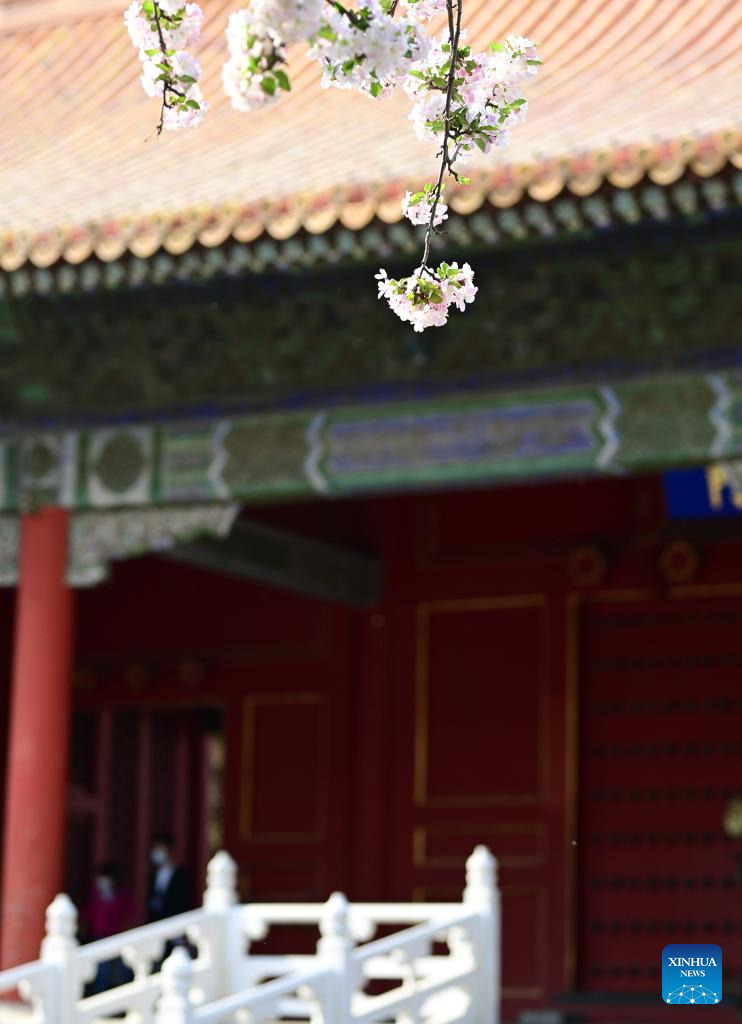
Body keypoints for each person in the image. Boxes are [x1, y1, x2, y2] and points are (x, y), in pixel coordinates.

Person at [80, 862, 136, 994]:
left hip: (117, 939)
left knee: (120, 971)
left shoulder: (121, 895)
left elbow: (131, 915)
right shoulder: (95, 895)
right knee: (102, 972)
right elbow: (87, 914)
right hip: (98, 938)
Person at [147, 833, 192, 923]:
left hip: (174, 923)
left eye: (160, 847)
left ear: (169, 849)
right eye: (155, 848)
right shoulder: (153, 875)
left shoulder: (181, 875)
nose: (157, 851)